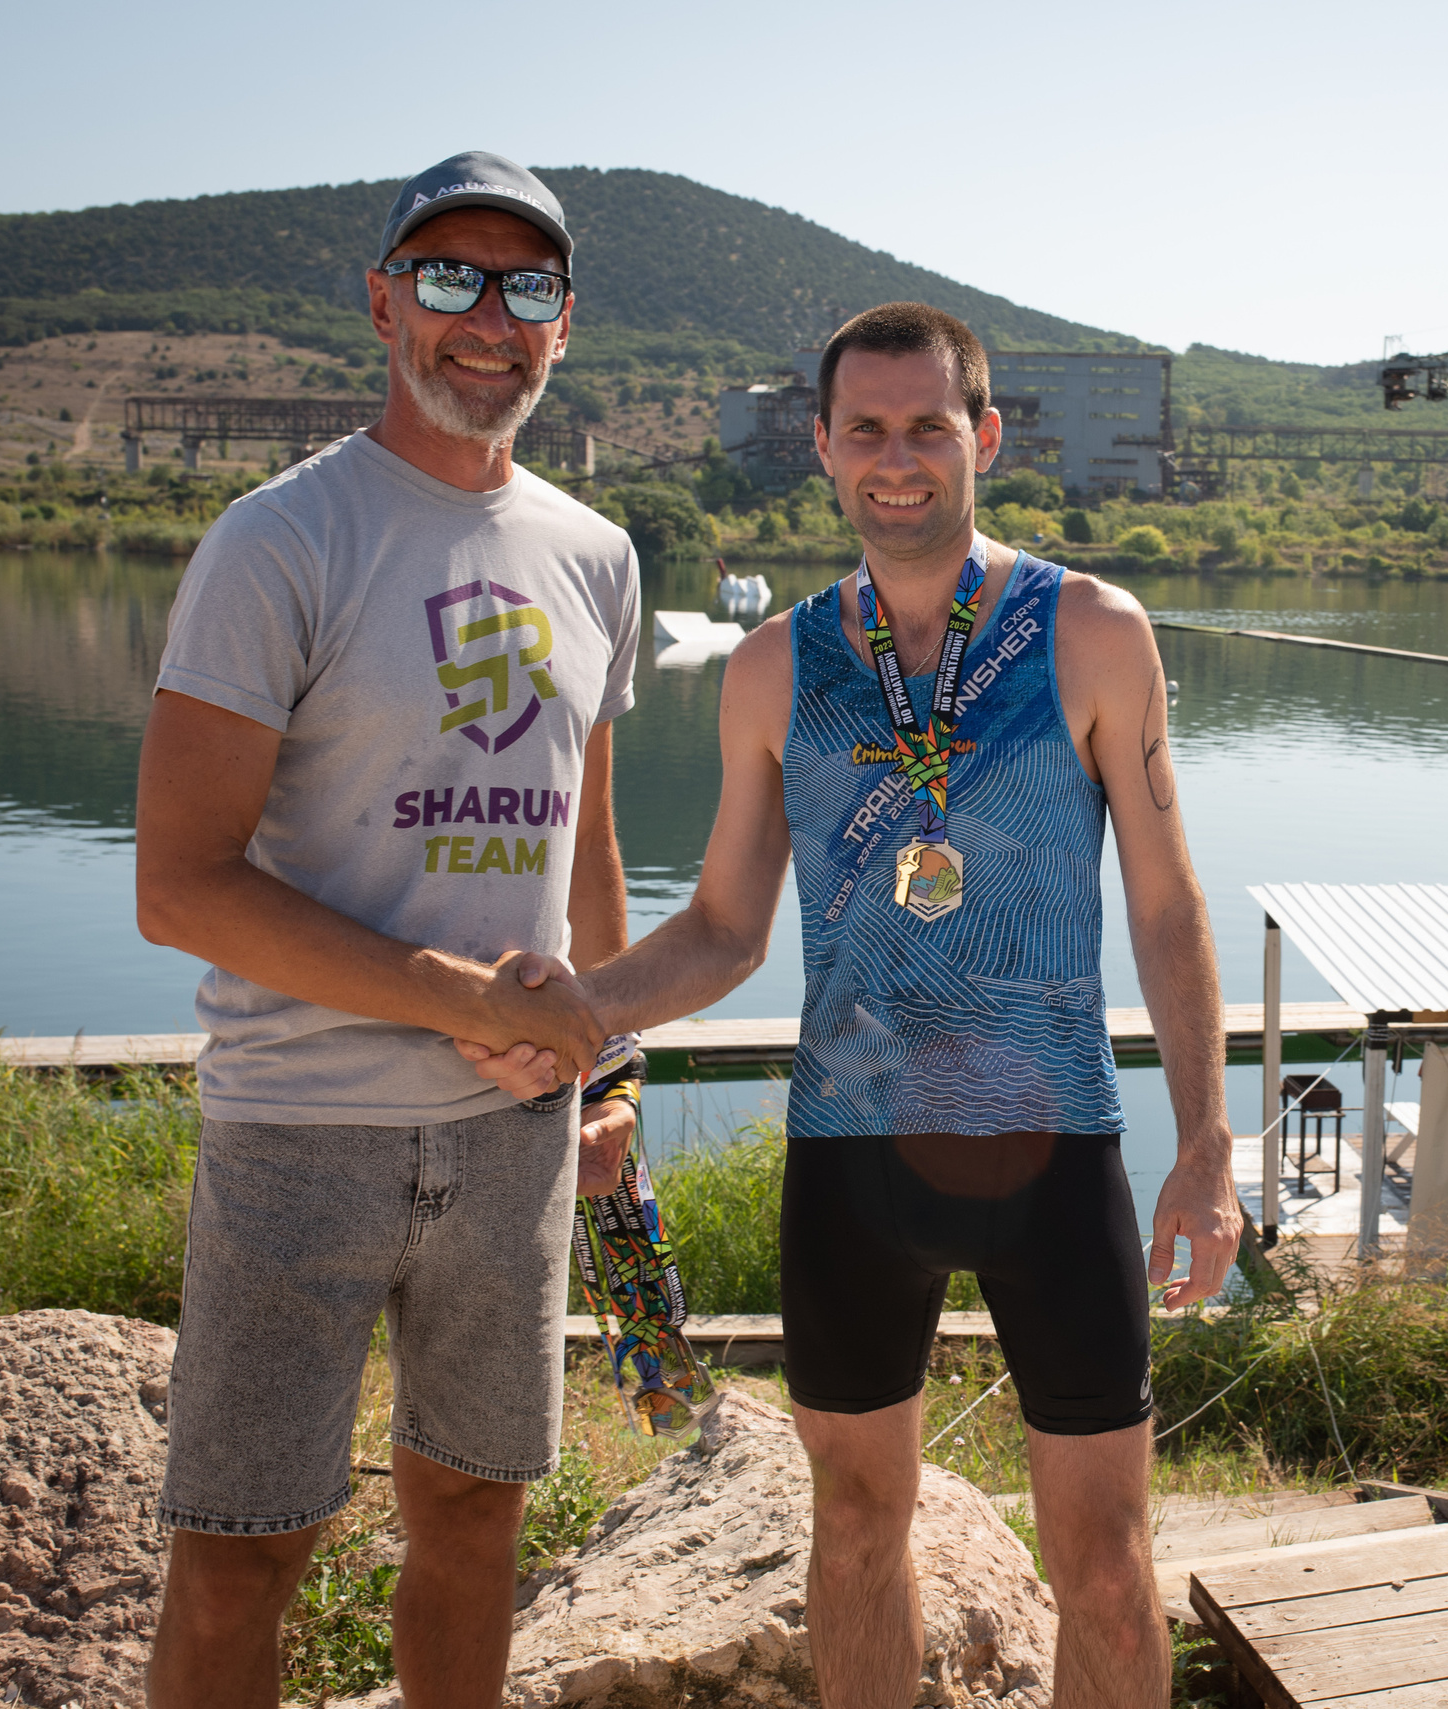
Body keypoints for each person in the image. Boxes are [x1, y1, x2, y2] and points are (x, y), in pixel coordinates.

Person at [469, 301, 1242, 1709]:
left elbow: (1167, 905)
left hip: (1057, 1145)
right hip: (853, 1154)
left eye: (928, 426)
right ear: (822, 445)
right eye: (867, 429)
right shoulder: (775, 667)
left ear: (984, 436)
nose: (898, 459)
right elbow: (724, 929)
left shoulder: (1091, 631)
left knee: (1106, 1571)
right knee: (855, 1533)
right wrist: (578, 1008)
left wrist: (1206, 1144)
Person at [134, 150, 639, 1708]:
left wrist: (610, 1068)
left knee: (476, 1520)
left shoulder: (598, 555)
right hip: (299, 1131)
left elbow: (585, 843)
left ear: (565, 323)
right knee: (240, 1557)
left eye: (526, 287)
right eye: (449, 277)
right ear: (382, 303)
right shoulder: (279, 539)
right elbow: (180, 883)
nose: (488, 317)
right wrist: (461, 998)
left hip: (513, 1142)